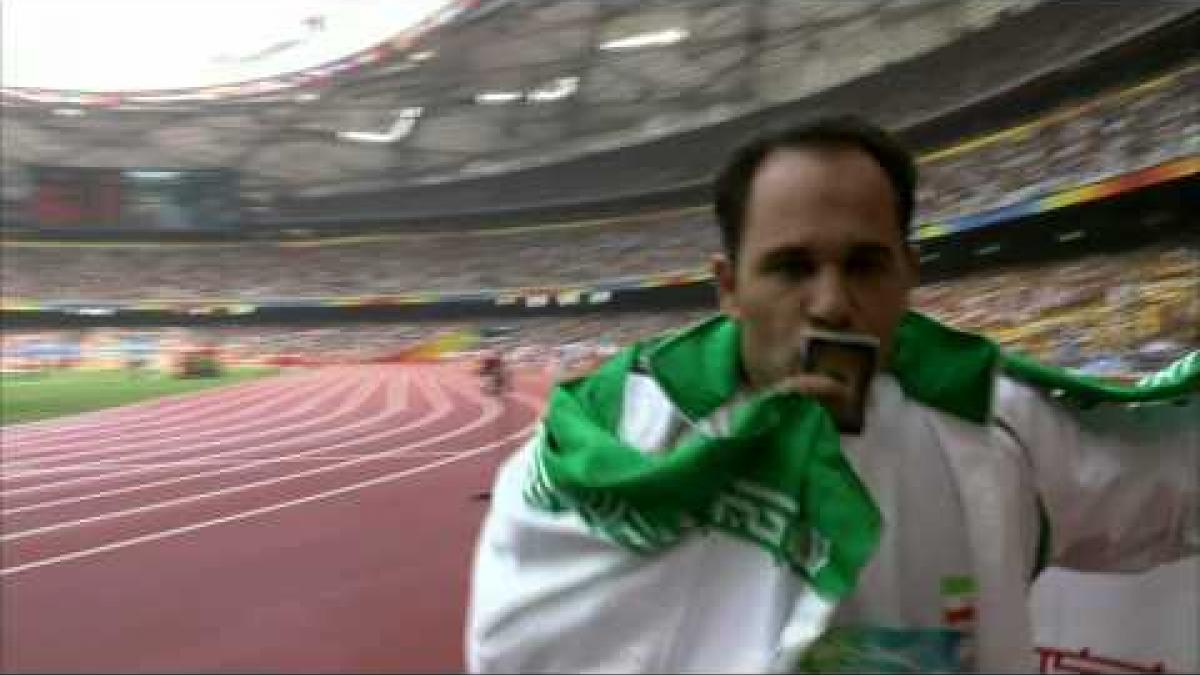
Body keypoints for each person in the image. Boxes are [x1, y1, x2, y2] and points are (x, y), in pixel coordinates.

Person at [465, 116, 1198, 673]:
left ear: (909, 272)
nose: (830, 304)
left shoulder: (997, 424)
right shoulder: (617, 442)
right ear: (729, 288)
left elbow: (1167, 493)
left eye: (865, 265)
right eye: (790, 267)